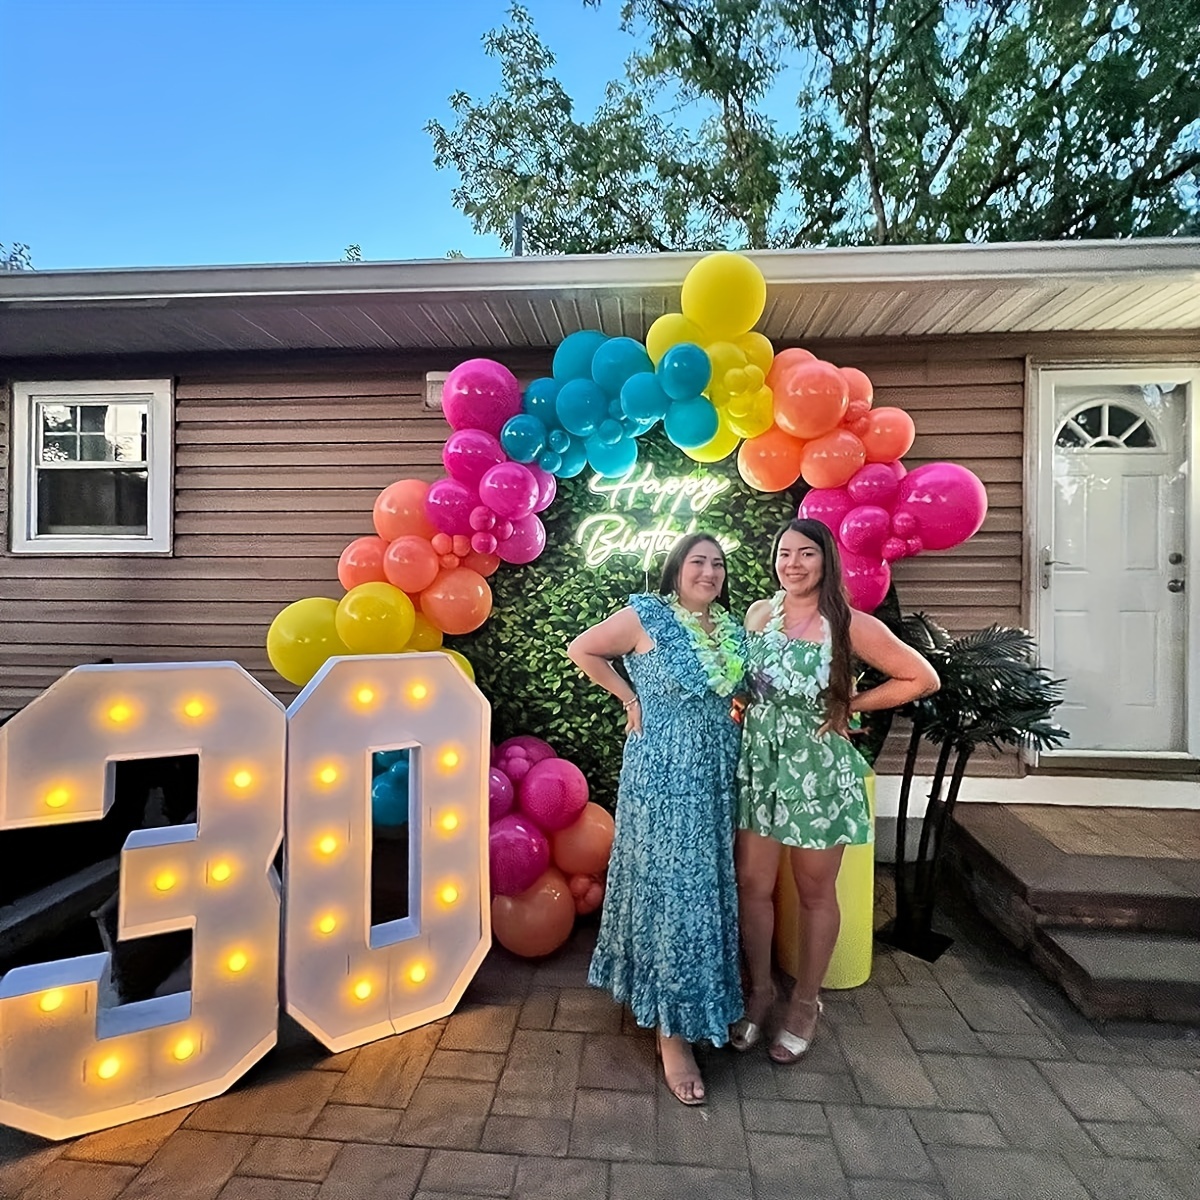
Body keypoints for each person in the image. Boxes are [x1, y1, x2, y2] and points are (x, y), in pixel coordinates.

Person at [732, 517, 939, 1063]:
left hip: (818, 773)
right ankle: (760, 991)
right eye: (783, 553)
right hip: (762, 767)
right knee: (751, 885)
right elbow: (746, 685)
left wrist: (851, 706)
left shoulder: (849, 624)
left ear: (826, 561)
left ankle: (805, 1001)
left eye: (805, 554)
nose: (792, 564)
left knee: (814, 892)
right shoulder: (758, 615)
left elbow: (920, 678)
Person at [567, 533, 746, 1105]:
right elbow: (583, 649)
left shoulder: (733, 629)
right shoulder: (644, 616)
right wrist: (630, 698)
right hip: (662, 774)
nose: (710, 572)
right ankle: (672, 1034)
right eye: (698, 562)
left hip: (716, 773)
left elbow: (741, 692)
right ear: (676, 569)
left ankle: (703, 1003)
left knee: (707, 889)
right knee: (674, 892)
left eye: (718, 564)